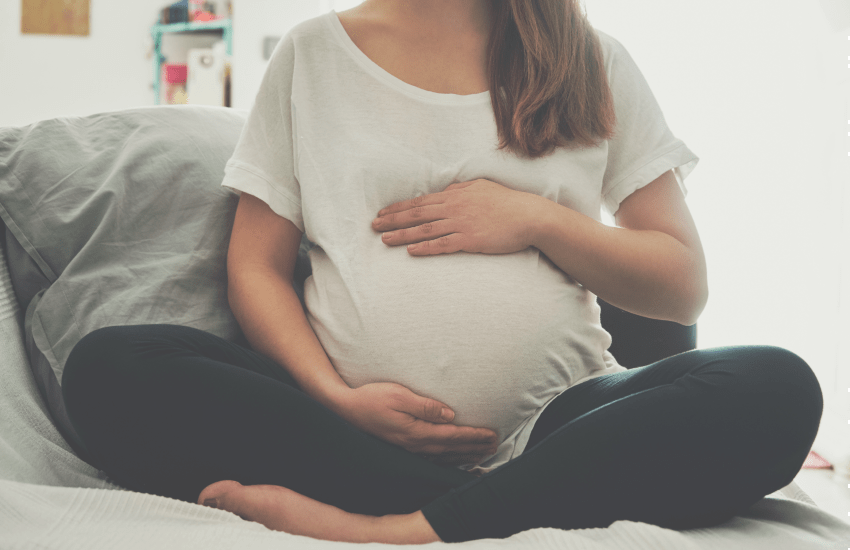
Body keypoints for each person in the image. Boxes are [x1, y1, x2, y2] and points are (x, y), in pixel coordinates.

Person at [61, 0, 823, 544]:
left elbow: (682, 283)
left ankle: (402, 526)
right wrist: (337, 397)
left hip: (556, 425)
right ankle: (488, 508)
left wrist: (536, 218)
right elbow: (254, 268)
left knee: (779, 386)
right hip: (342, 429)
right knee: (109, 368)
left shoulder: (592, 59)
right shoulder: (313, 55)